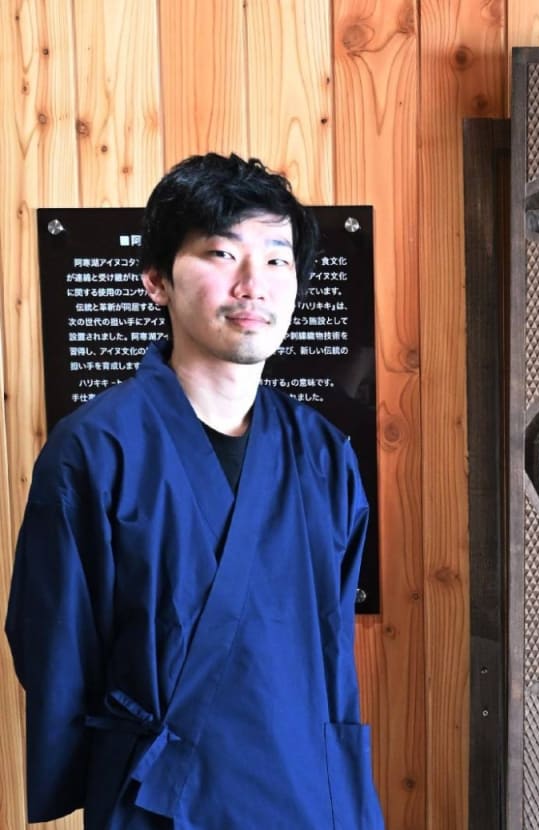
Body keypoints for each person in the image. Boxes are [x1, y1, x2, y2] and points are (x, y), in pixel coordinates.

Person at [5, 153, 384, 829]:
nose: (254, 284)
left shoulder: (322, 453)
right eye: (220, 253)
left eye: (277, 259)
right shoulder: (95, 449)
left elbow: (329, 644)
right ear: (157, 280)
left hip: (308, 789)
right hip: (161, 798)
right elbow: (53, 641)